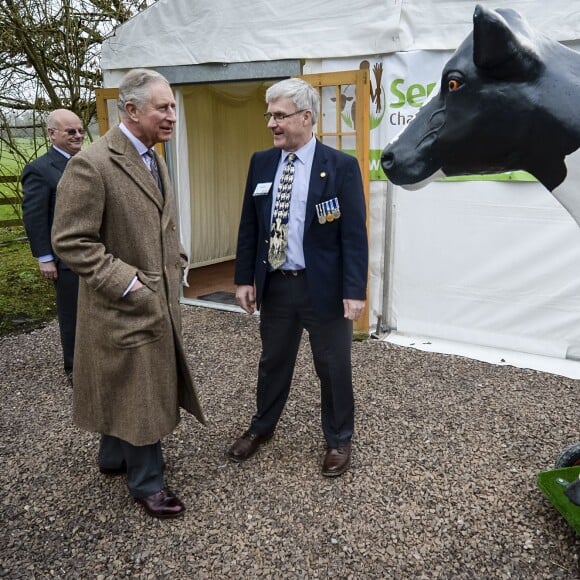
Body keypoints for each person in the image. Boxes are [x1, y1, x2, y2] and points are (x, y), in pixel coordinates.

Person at [51, 69, 205, 518]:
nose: (172, 115)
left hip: (155, 295)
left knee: (125, 384)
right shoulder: (92, 163)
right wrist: (128, 283)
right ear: (131, 110)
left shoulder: (152, 157)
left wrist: (174, 254)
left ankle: (113, 457)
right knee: (140, 391)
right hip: (124, 304)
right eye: (163, 107)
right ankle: (148, 484)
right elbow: (71, 240)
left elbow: (151, 221)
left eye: (173, 106)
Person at [228, 77, 368, 477]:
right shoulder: (261, 162)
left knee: (333, 366)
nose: (272, 123)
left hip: (321, 287)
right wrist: (244, 279)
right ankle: (261, 428)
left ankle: (339, 438)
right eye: (269, 115)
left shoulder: (339, 167)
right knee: (273, 362)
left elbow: (353, 236)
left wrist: (353, 290)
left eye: (280, 115)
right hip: (276, 285)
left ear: (306, 118)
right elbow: (249, 227)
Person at [22, 109, 83, 384]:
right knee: (72, 313)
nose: (78, 135)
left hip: (94, 253)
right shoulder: (40, 169)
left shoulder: (87, 162)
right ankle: (74, 368)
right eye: (71, 131)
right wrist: (45, 258)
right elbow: (35, 217)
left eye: (80, 130)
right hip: (64, 258)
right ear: (52, 133)